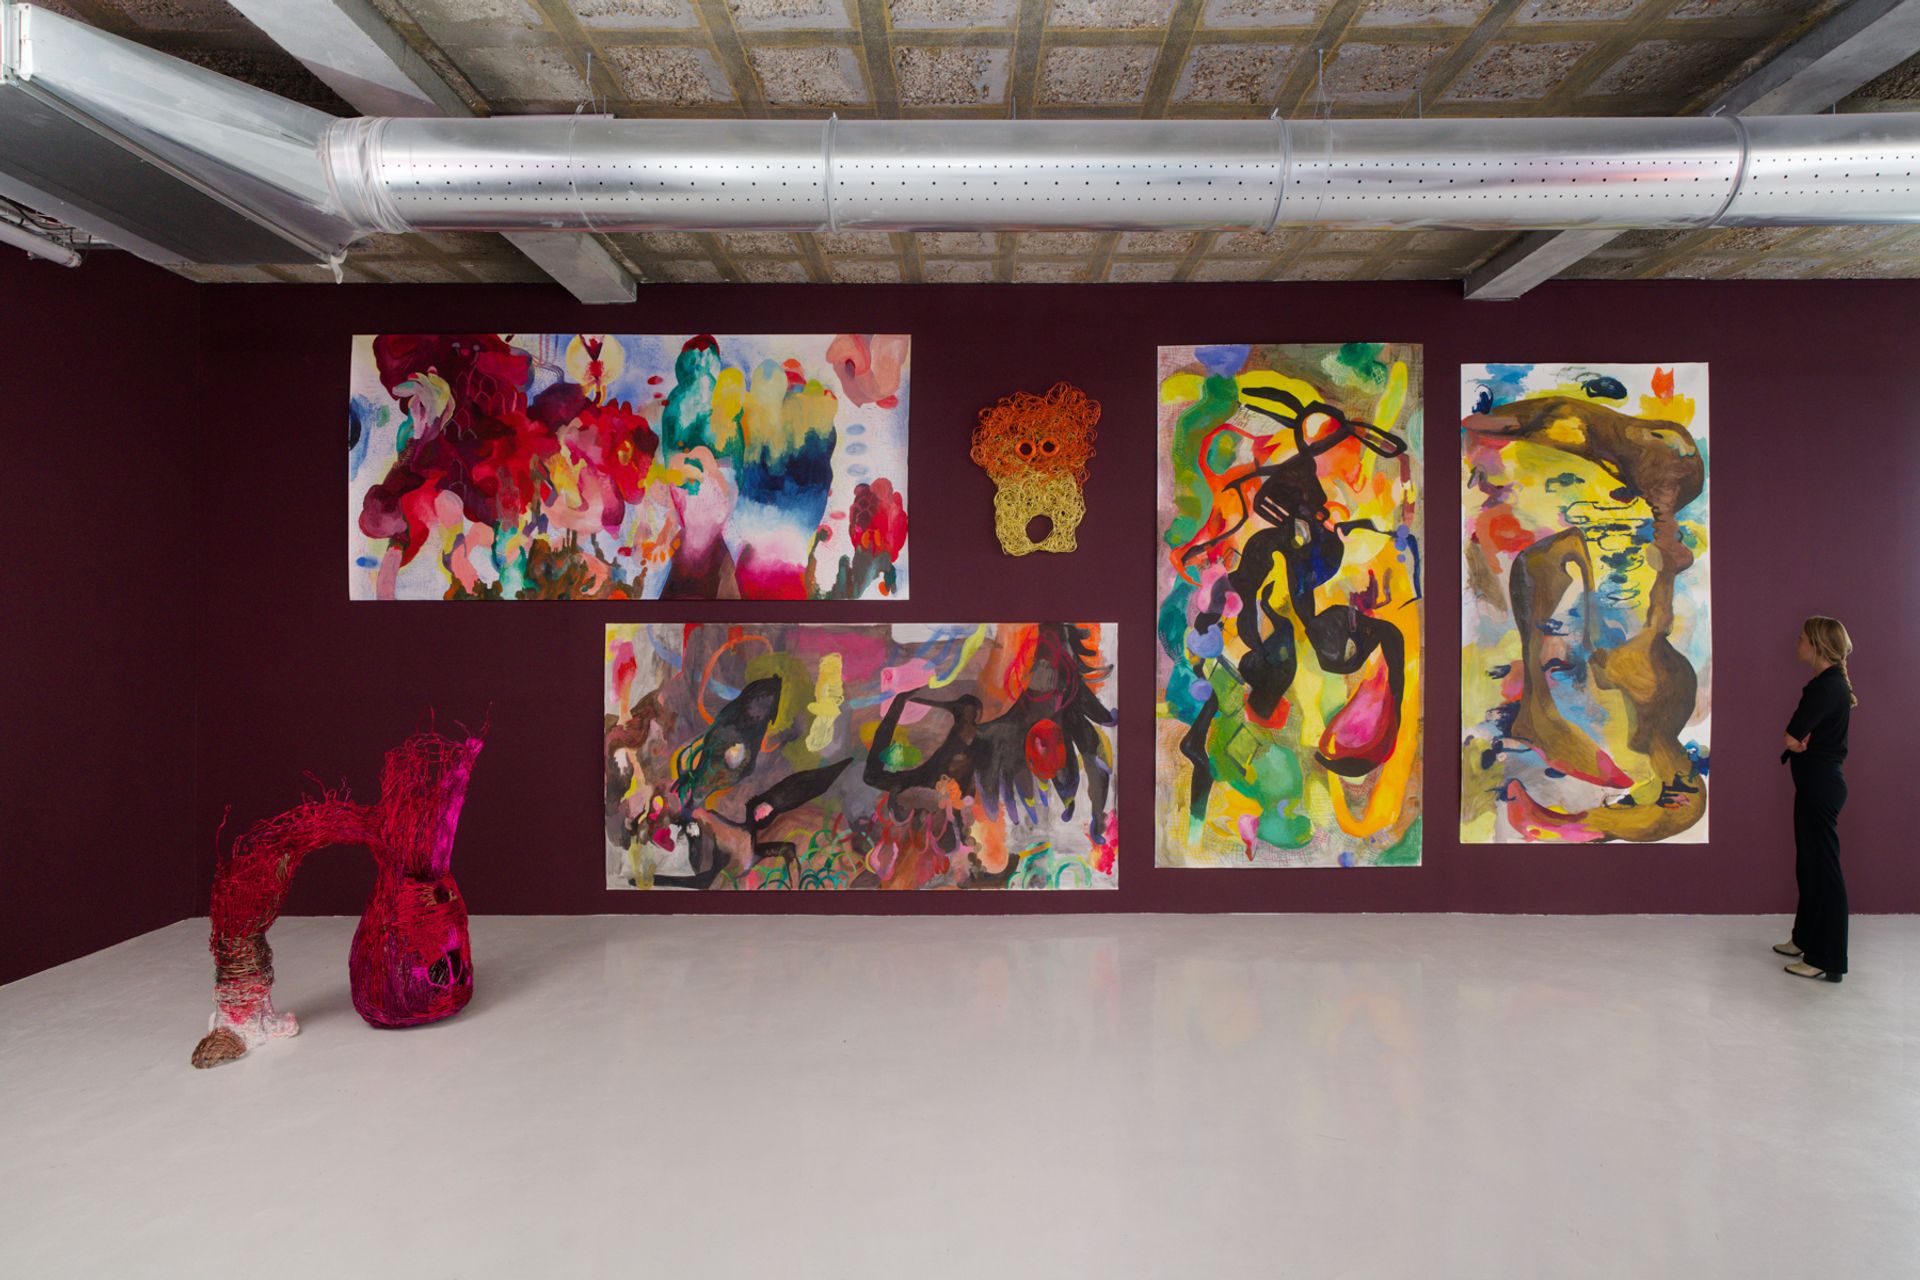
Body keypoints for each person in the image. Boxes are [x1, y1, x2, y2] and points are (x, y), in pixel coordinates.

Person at [1775, 616, 1856, 983]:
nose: (1798, 642)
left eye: (1802, 638)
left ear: (1817, 646)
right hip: (1816, 784)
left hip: (1820, 787)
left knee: (1824, 872)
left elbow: (1791, 736)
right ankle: (1804, 939)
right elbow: (1799, 737)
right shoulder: (1830, 684)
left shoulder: (1825, 687)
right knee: (1809, 865)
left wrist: (1797, 742)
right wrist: (1800, 742)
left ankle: (1827, 958)